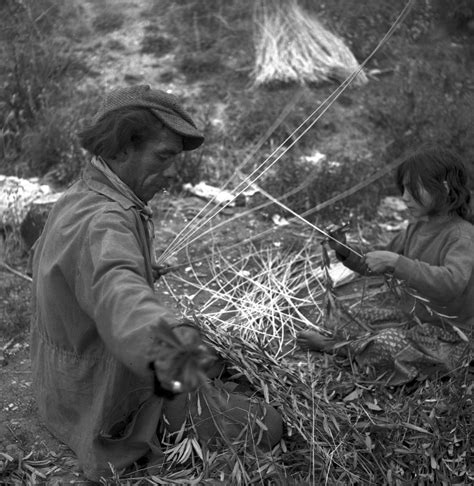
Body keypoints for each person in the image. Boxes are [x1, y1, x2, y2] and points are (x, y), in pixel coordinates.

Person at [30, 85, 282, 481]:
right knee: (268, 425)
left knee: (214, 363)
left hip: (65, 388)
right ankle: (145, 418)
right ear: (121, 148)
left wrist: (144, 269)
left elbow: (91, 275)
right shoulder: (106, 221)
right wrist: (172, 342)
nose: (171, 175)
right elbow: (118, 293)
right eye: (163, 157)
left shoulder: (83, 194)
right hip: (104, 395)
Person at [298, 147, 474, 385]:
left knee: (385, 345)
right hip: (413, 318)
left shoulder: (462, 236)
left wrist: (397, 263)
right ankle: (354, 344)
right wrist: (344, 249)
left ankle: (336, 347)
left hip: (451, 335)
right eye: (403, 189)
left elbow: (450, 284)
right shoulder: (416, 227)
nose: (405, 197)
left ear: (443, 187)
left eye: (412, 189)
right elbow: (375, 262)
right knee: (353, 313)